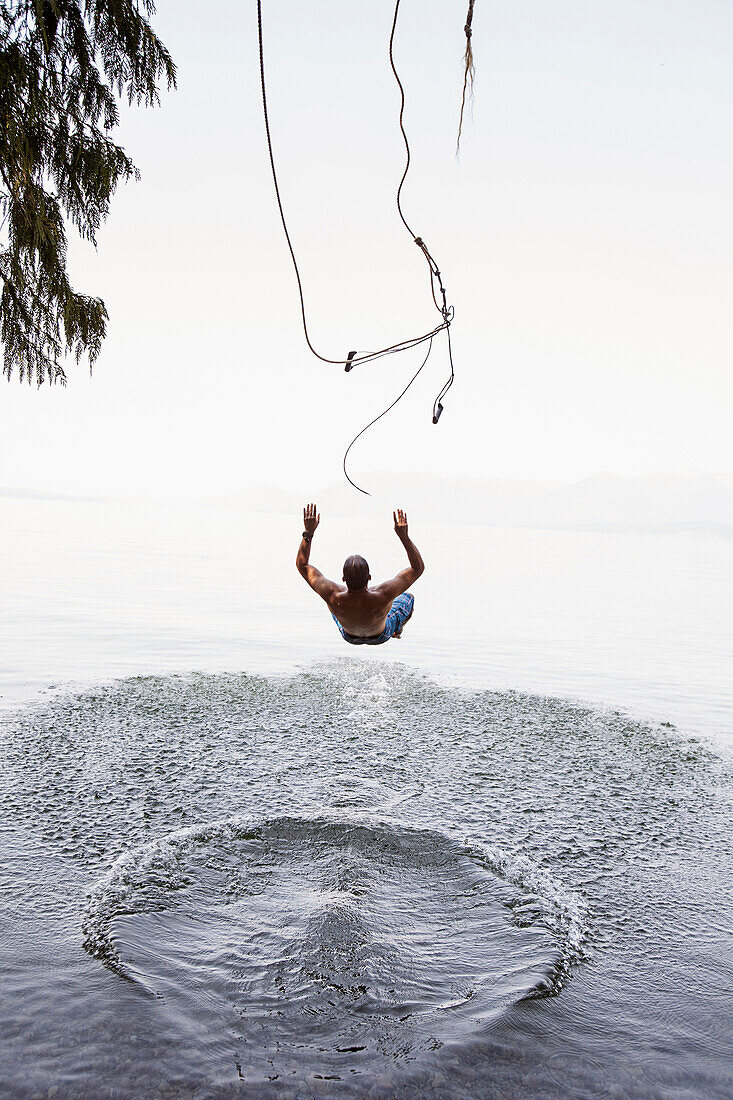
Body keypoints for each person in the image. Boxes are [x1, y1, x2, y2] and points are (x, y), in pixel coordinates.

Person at [296, 503, 424, 645]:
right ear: (369, 578)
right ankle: (397, 631)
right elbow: (417, 568)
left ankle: (345, 614)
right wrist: (404, 537)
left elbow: (302, 565)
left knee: (329, 600)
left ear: (344, 578)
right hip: (381, 635)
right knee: (408, 597)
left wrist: (308, 532)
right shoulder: (384, 594)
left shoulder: (332, 595)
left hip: (348, 635)